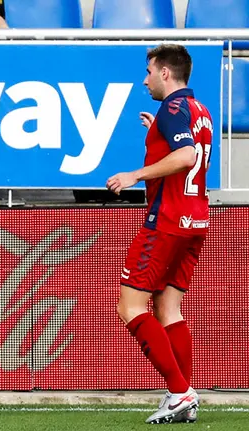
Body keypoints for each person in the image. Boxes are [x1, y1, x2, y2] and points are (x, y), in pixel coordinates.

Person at [107, 43, 211, 425]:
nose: (145, 78)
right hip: (196, 220)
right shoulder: (199, 111)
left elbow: (184, 158)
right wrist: (158, 132)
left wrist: (134, 175)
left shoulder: (171, 110)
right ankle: (184, 391)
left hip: (166, 220)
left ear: (165, 72)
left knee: (130, 306)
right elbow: (189, 151)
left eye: (149, 71)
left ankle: (179, 391)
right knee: (169, 308)